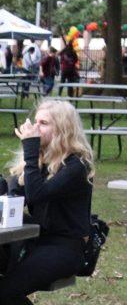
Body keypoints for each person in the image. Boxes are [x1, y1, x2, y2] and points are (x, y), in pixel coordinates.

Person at [0, 100, 94, 305]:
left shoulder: (77, 165)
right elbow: (14, 196)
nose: (35, 128)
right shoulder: (40, 161)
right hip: (32, 240)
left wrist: (31, 150)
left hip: (64, 247)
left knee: (4, 293)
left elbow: (37, 195)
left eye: (43, 123)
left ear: (62, 129)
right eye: (35, 122)